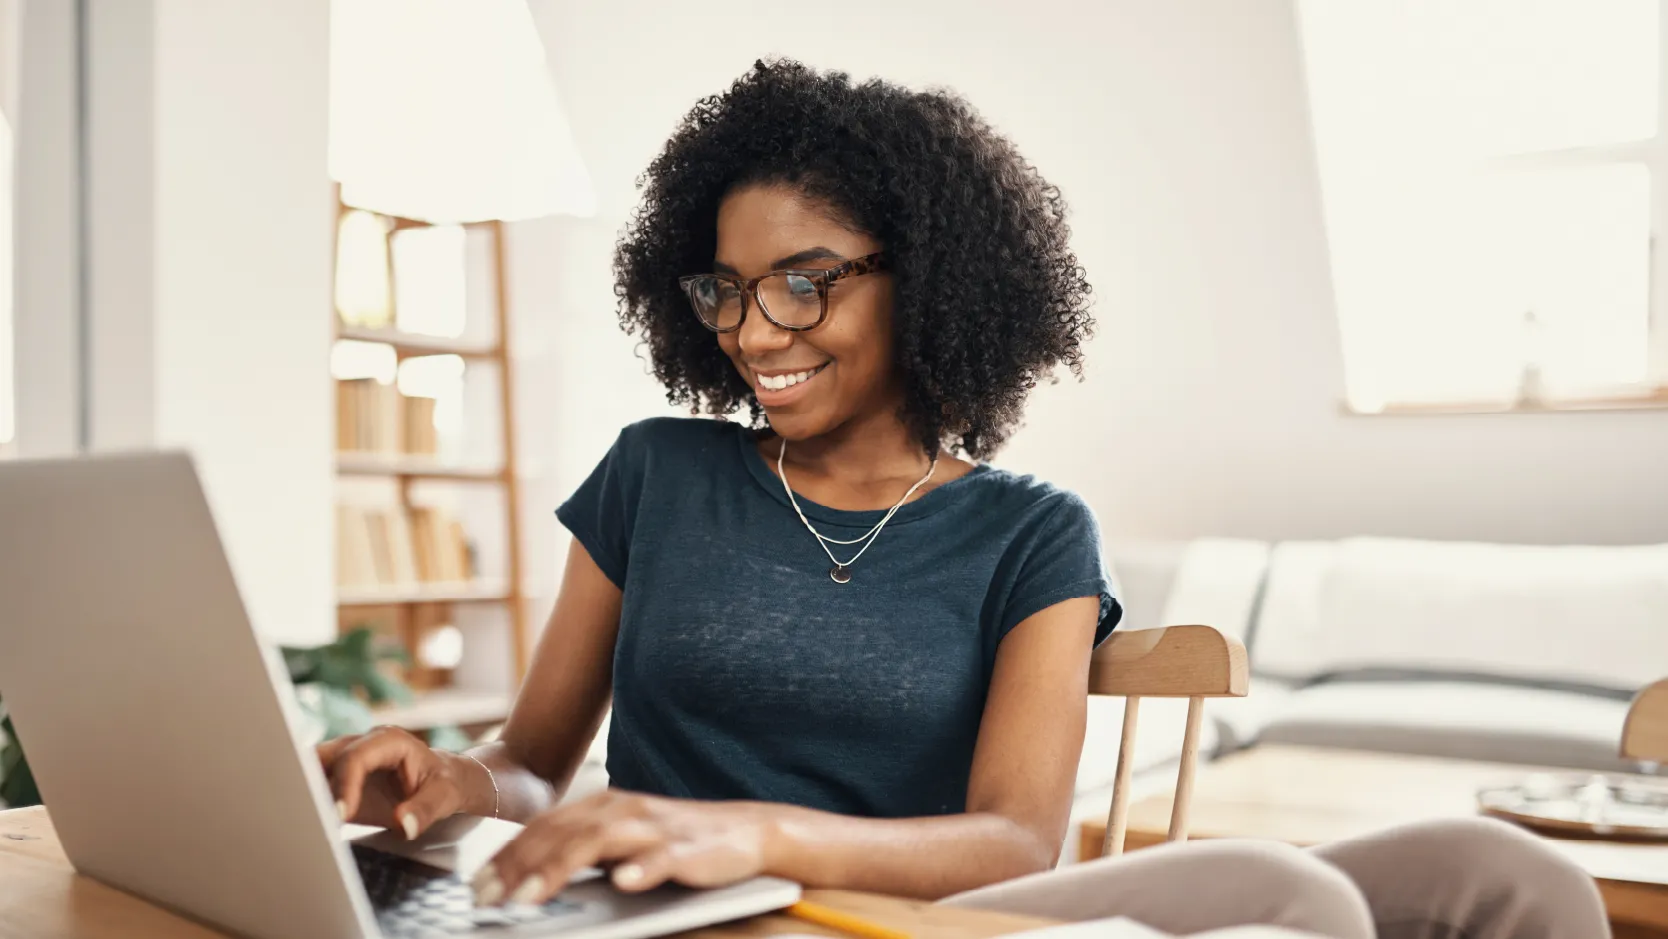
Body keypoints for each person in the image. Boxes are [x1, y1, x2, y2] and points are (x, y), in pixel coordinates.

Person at [320, 59, 1610, 938]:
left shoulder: (1031, 531)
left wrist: (745, 833)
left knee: (1510, 873)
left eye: (806, 279)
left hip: (926, 918)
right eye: (725, 289)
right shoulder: (657, 475)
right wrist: (449, 778)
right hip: (700, 925)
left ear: (925, 279)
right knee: (1288, 898)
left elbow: (1010, 843)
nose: (756, 328)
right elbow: (533, 771)